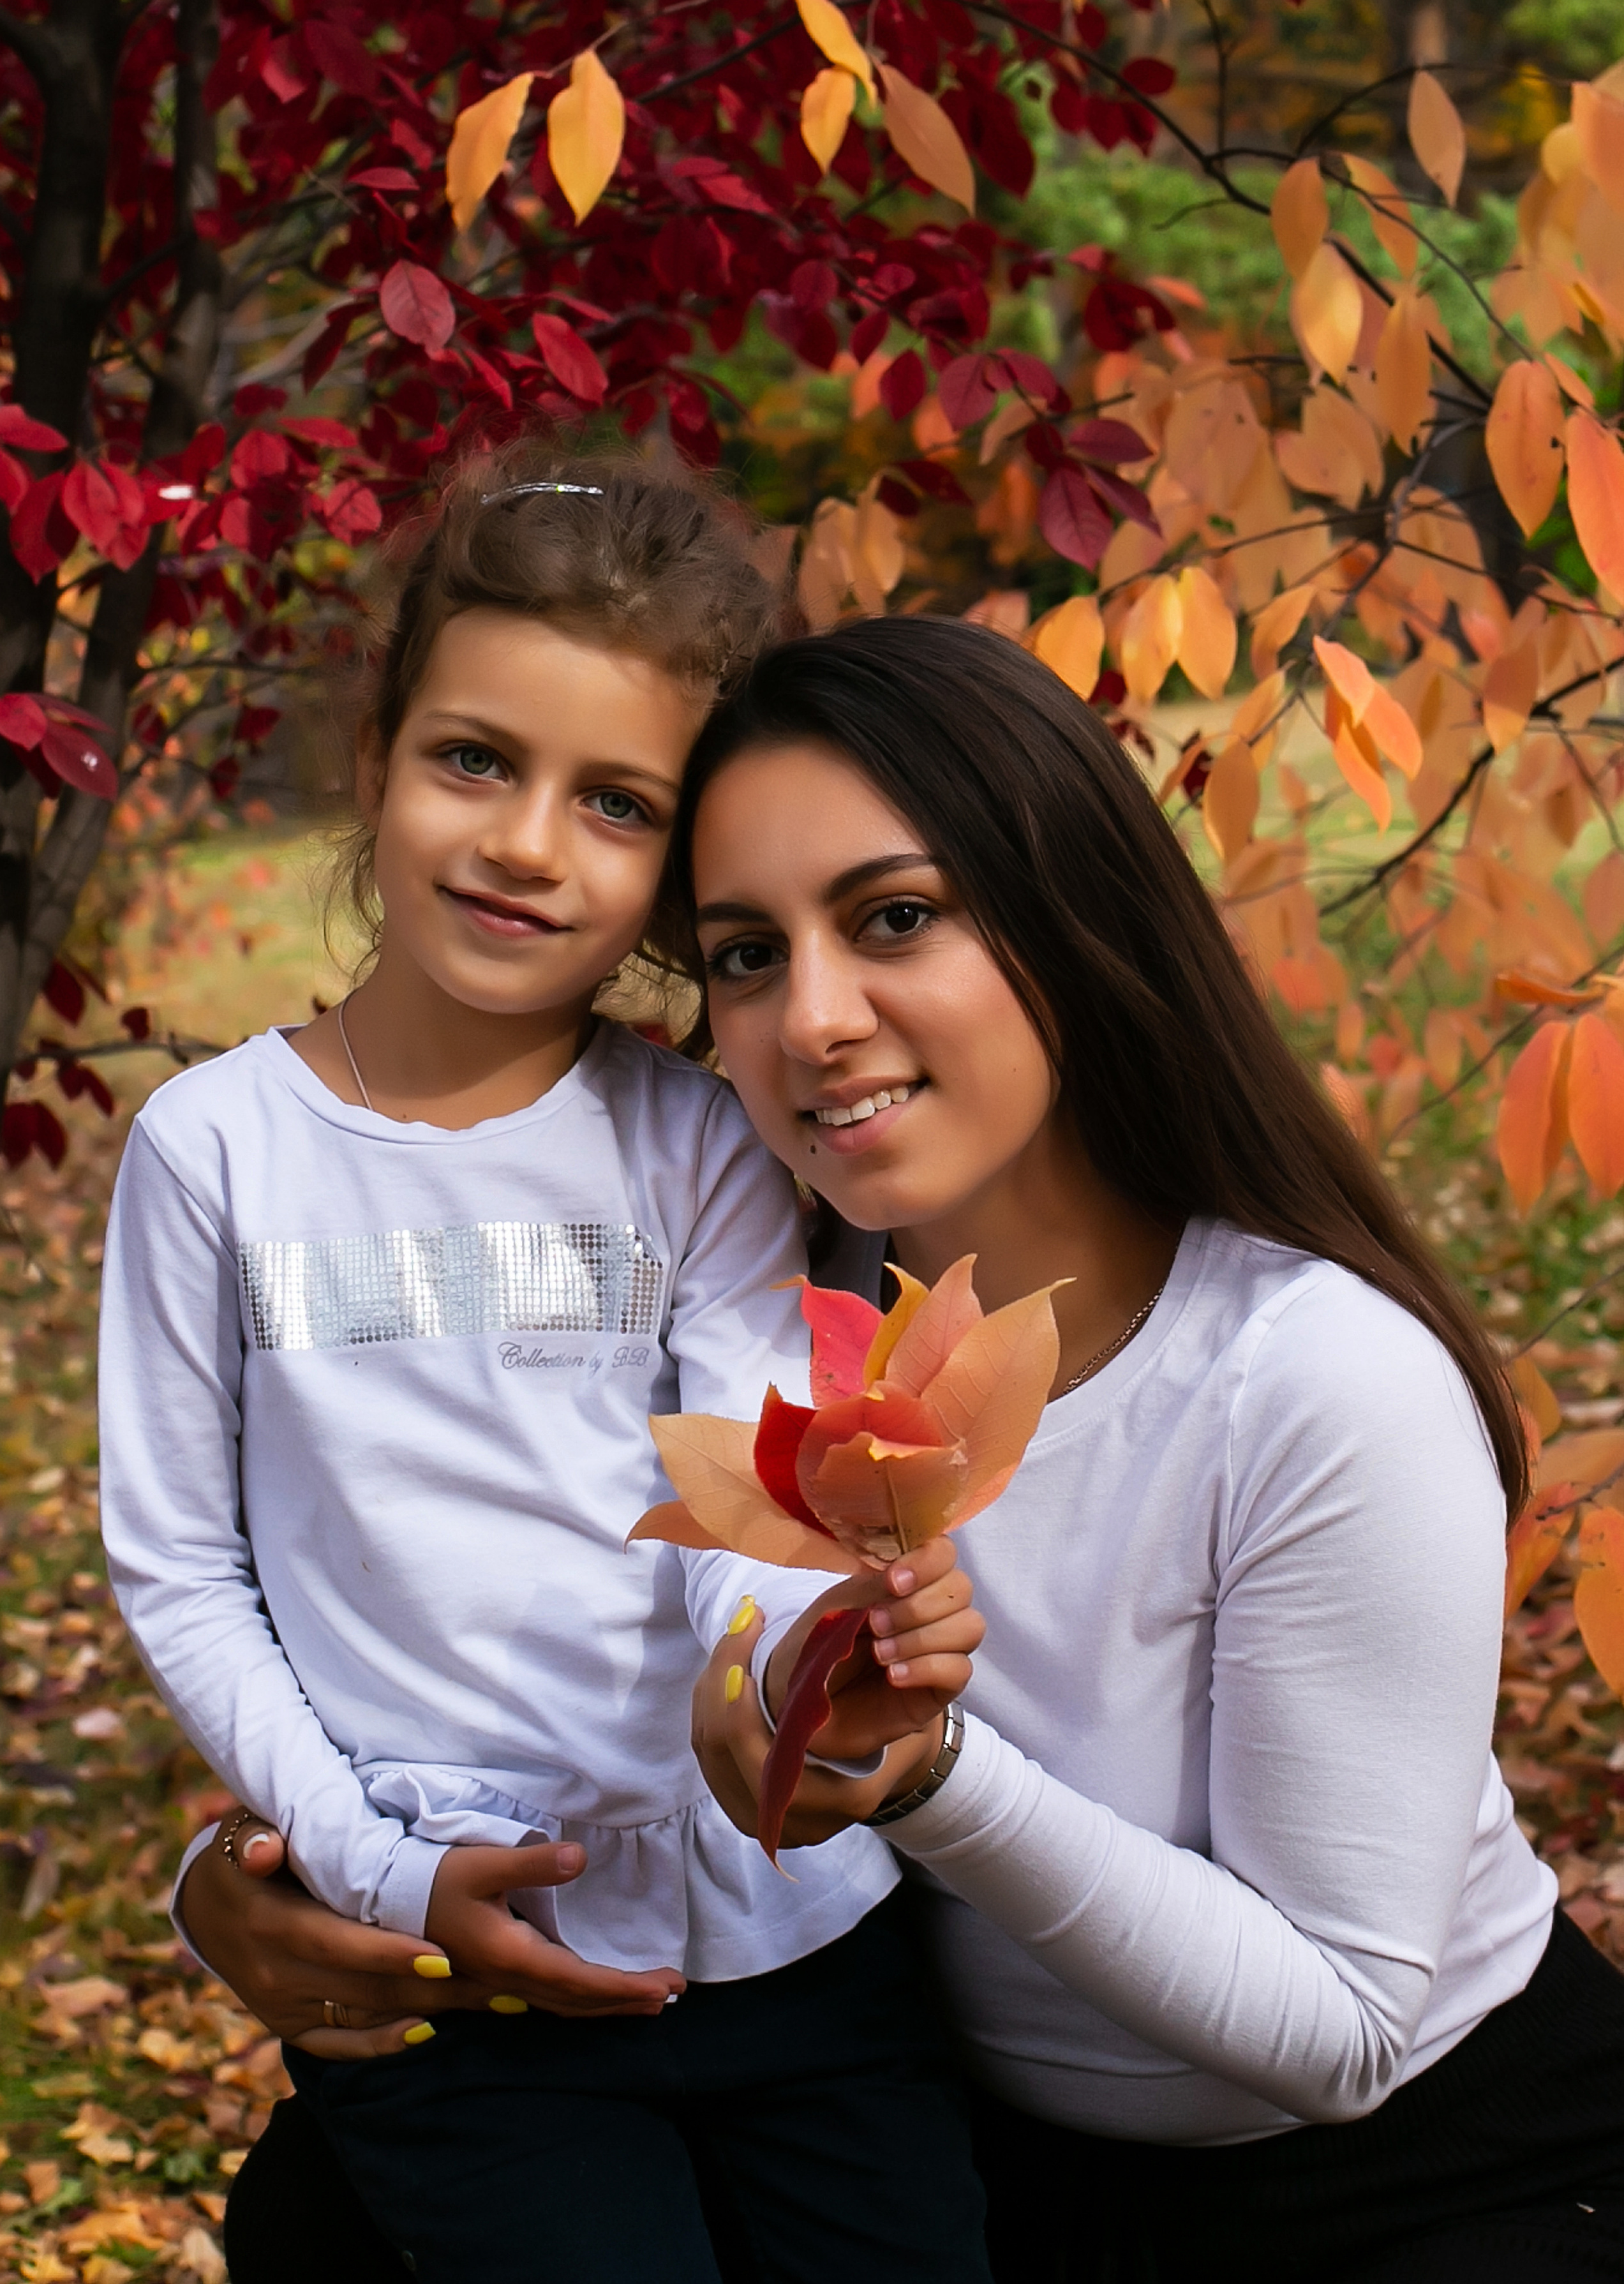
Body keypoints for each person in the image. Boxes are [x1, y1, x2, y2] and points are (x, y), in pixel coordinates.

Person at [97, 474, 990, 2284]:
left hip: (796, 1938)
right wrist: (364, 1864)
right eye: (477, 759)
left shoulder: (696, 1143)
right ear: (379, 754)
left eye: (617, 805)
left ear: (675, 866)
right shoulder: (214, 1155)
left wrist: (766, 1677)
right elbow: (185, 1566)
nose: (527, 842)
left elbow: (747, 1483)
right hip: (460, 1950)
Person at [676, 616, 1624, 2283]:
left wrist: (938, 1781)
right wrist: (225, 1881)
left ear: (1066, 910)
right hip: (960, 2149)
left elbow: (1339, 2028)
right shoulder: (750, 1312)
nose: (810, 1016)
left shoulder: (1312, 1377)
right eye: (745, 952)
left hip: (1424, 2178)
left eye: (895, 916)